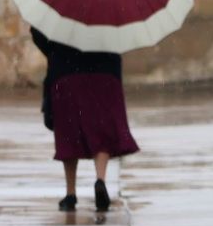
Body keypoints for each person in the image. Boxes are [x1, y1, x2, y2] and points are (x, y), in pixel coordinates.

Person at [33, 29, 137, 211]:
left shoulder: (58, 5)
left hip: (66, 69)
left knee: (68, 134)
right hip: (105, 70)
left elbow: (38, 33)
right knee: (101, 128)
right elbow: (122, 34)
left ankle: (70, 194)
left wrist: (54, 50)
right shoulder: (109, 5)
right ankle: (100, 180)